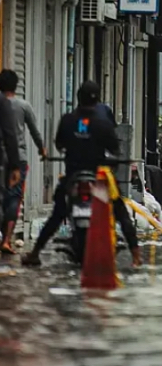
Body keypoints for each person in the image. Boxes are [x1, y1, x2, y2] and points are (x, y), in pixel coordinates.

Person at [22, 82, 140, 268]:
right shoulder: (103, 123)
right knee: (120, 211)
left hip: (73, 176)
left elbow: (60, 145)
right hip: (99, 178)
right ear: (97, 100)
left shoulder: (68, 120)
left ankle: (35, 253)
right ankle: (136, 256)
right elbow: (115, 149)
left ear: (78, 98)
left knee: (57, 214)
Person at [0, 70, 45, 254]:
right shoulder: (23, 106)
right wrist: (42, 148)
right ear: (16, 86)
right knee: (15, 197)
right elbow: (34, 130)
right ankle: (7, 240)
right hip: (18, 159)